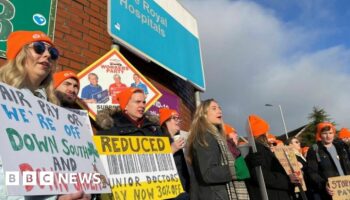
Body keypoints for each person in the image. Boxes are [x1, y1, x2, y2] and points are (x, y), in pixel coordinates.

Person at [0, 30, 90, 200]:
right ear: (20, 54)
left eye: (53, 52)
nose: (47, 54)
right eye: (39, 48)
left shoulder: (53, 110)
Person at [187, 99, 242, 200]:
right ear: (204, 115)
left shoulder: (214, 136)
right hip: (213, 195)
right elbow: (207, 173)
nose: (219, 111)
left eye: (219, 108)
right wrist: (236, 169)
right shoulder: (205, 136)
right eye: (214, 108)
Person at [245, 114, 300, 200]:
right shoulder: (258, 150)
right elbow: (262, 176)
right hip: (272, 195)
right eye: (267, 132)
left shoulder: (259, 149)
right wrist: (287, 179)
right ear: (263, 134)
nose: (268, 134)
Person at [306, 122, 350, 200]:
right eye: (324, 133)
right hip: (332, 191)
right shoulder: (314, 149)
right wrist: (324, 184)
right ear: (319, 134)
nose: (328, 136)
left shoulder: (341, 146)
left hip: (346, 187)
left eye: (330, 133)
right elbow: (312, 172)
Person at [96, 87, 162, 136]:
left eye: (144, 102)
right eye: (138, 102)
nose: (142, 105)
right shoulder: (111, 127)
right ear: (126, 105)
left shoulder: (153, 126)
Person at [159, 108, 190, 200]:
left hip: (183, 189)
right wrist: (172, 149)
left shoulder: (178, 138)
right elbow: (156, 162)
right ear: (165, 121)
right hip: (169, 192)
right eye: (174, 118)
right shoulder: (159, 139)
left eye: (178, 118)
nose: (178, 121)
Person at [224, 124, 250, 200]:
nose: (237, 135)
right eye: (234, 132)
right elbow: (242, 172)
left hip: (239, 188)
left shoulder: (235, 150)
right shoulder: (229, 150)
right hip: (234, 191)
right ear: (227, 135)